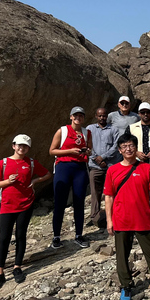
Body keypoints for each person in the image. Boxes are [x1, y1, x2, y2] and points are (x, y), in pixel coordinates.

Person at [104, 133, 150, 300]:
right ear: (119, 150)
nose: (128, 149)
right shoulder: (112, 170)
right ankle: (126, 286)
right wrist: (109, 220)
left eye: (131, 146)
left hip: (143, 218)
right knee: (122, 255)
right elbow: (108, 197)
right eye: (124, 147)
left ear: (136, 148)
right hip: (121, 219)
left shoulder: (146, 168)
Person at [0, 135, 51, 289]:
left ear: (28, 148)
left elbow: (47, 174)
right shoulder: (3, 163)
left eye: (25, 146)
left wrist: (35, 181)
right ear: (13, 146)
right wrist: (7, 182)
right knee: (4, 238)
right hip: (7, 205)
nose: (22, 148)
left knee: (20, 235)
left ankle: (17, 267)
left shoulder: (31, 163)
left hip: (26, 204)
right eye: (19, 145)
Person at [49, 106, 93, 249]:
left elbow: (90, 152)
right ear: (71, 117)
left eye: (81, 115)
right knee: (60, 202)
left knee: (79, 201)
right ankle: (56, 237)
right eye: (75, 115)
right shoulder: (62, 131)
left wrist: (87, 151)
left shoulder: (87, 132)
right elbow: (52, 151)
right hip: (64, 167)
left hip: (80, 168)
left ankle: (79, 235)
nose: (78, 118)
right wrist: (70, 151)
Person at [86, 107, 121, 226]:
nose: (102, 118)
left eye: (104, 116)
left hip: (111, 165)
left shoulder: (114, 129)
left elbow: (116, 146)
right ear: (96, 116)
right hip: (95, 166)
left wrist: (104, 157)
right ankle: (95, 217)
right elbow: (87, 146)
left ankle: (114, 215)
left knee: (112, 191)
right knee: (95, 191)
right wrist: (98, 159)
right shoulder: (90, 129)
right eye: (100, 116)